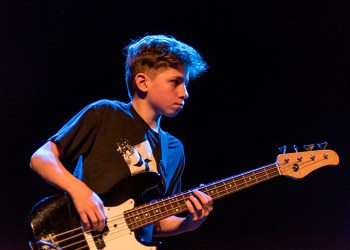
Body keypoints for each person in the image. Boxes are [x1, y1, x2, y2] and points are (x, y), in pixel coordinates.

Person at [29, 34, 214, 248]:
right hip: (82, 238)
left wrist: (189, 224)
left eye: (186, 83)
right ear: (143, 82)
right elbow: (41, 158)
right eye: (175, 82)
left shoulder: (174, 150)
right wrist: (79, 190)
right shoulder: (106, 113)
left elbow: (155, 220)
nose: (185, 93)